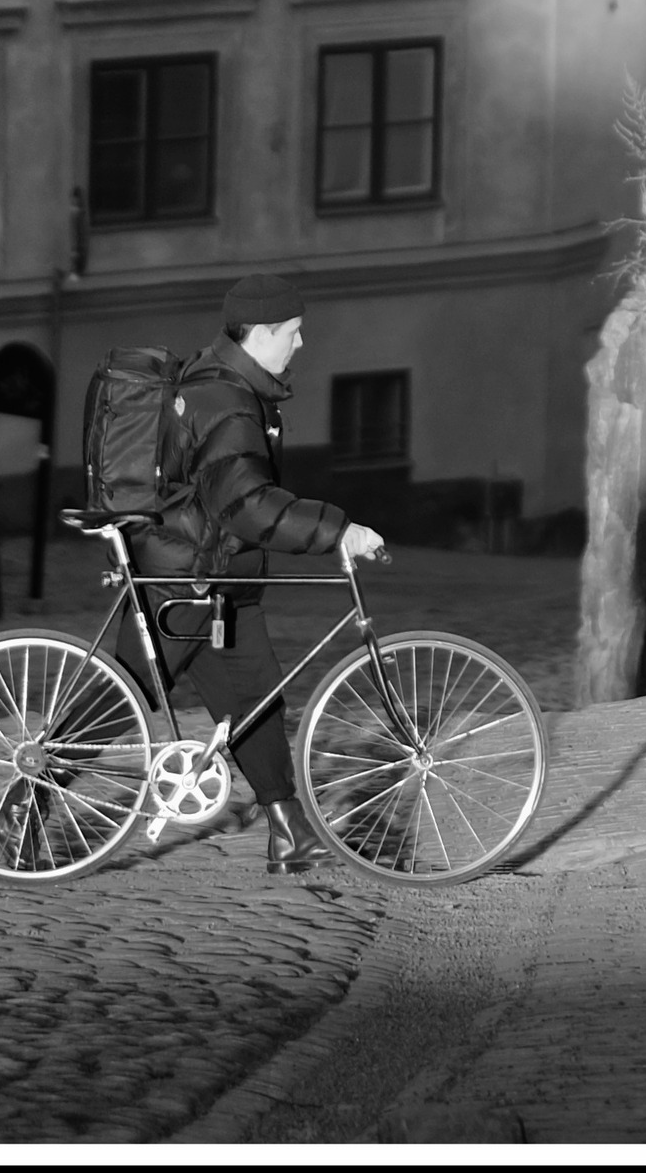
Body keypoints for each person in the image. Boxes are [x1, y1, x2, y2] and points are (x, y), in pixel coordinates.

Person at [132, 273, 387, 875]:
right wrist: (337, 531)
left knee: (257, 697)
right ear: (261, 333)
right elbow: (246, 504)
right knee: (120, 692)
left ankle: (289, 833)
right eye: (293, 332)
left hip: (217, 579)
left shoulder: (234, 388)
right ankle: (18, 807)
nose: (300, 343)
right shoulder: (226, 402)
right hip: (188, 583)